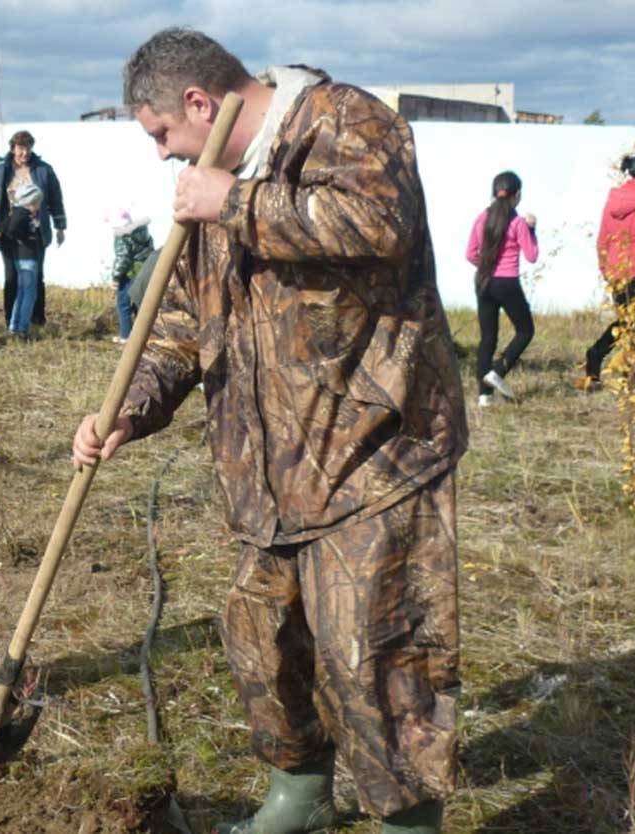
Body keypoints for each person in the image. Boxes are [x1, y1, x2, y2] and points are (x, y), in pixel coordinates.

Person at [71, 28, 466, 834]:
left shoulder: (342, 120)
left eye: (160, 134)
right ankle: (301, 791)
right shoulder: (204, 184)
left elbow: (379, 223)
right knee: (262, 636)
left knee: (378, 652)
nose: (161, 155)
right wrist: (129, 411)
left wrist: (236, 202)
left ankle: (407, 820)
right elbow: (183, 323)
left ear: (198, 102)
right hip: (269, 471)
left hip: (372, 455)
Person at [465, 171, 538, 406]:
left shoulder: (481, 218)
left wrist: (486, 266)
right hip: (507, 283)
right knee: (525, 331)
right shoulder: (518, 223)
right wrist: (532, 230)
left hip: (483, 282)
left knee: (487, 338)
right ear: (517, 195)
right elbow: (532, 255)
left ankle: (484, 396)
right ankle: (497, 371)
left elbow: (470, 254)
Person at [0, 130, 66, 328]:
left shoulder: (43, 171)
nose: (24, 153)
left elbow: (55, 199)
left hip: (35, 233)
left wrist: (60, 226)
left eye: (28, 148)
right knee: (12, 277)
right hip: (8, 232)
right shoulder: (0, 172)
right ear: (13, 149)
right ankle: (12, 321)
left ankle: (36, 319)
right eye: (20, 149)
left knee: (36, 277)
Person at [582, 153, 635, 388]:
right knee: (634, 324)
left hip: (616, 271)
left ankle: (596, 356)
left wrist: (606, 270)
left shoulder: (613, 199)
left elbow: (602, 239)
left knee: (629, 323)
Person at [0, 183, 45, 339]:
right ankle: (22, 328)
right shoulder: (22, 213)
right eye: (37, 202)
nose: (39, 206)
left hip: (23, 258)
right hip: (27, 259)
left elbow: (4, 229)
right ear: (31, 201)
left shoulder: (19, 213)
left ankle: (14, 326)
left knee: (21, 293)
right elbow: (11, 230)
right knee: (29, 294)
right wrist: (25, 239)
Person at [106, 208, 155, 343]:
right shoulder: (143, 232)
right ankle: (144, 335)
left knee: (123, 304)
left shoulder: (122, 236)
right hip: (145, 271)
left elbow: (123, 258)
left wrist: (116, 278)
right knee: (141, 303)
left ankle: (126, 336)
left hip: (129, 274)